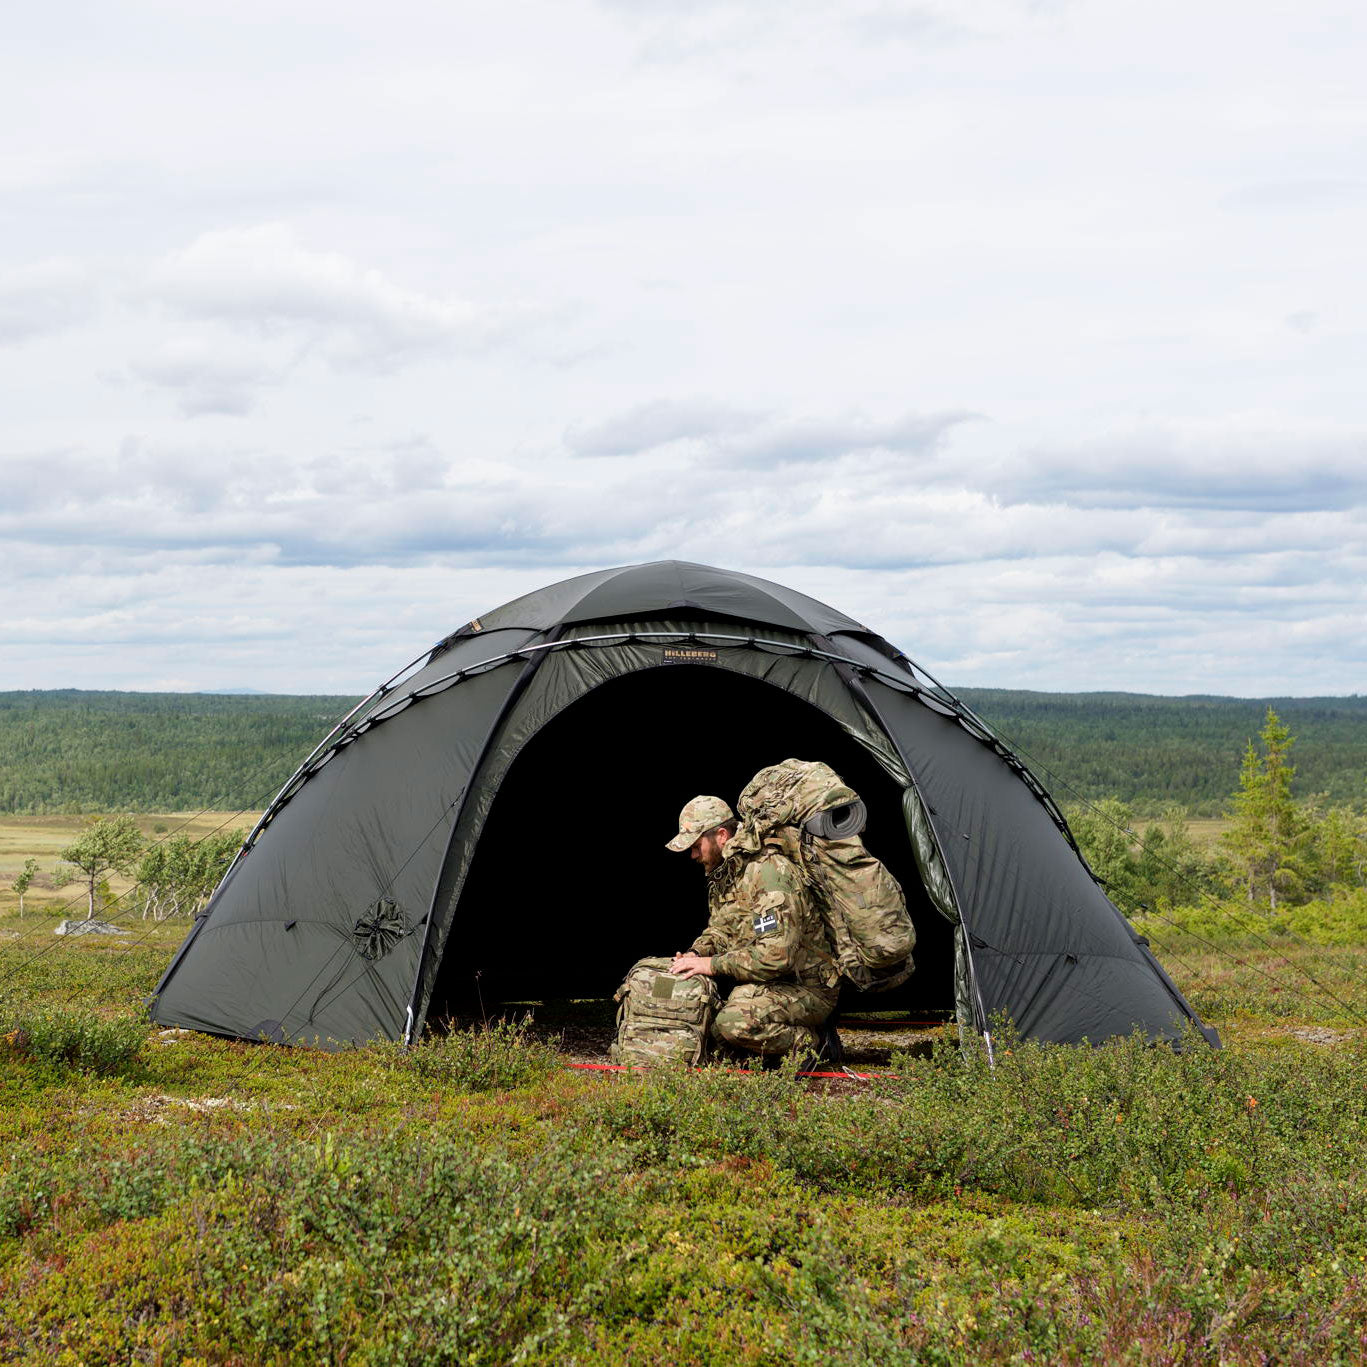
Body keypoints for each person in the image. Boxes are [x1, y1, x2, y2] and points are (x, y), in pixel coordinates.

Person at [665, 794, 840, 1063]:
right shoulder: (730, 873)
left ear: (721, 835)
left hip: (806, 988)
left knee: (734, 1023)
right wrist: (696, 953)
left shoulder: (768, 873)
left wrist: (711, 965)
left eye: (696, 845)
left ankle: (816, 1044)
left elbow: (776, 957)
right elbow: (722, 929)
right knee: (715, 1034)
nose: (693, 854)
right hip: (770, 985)